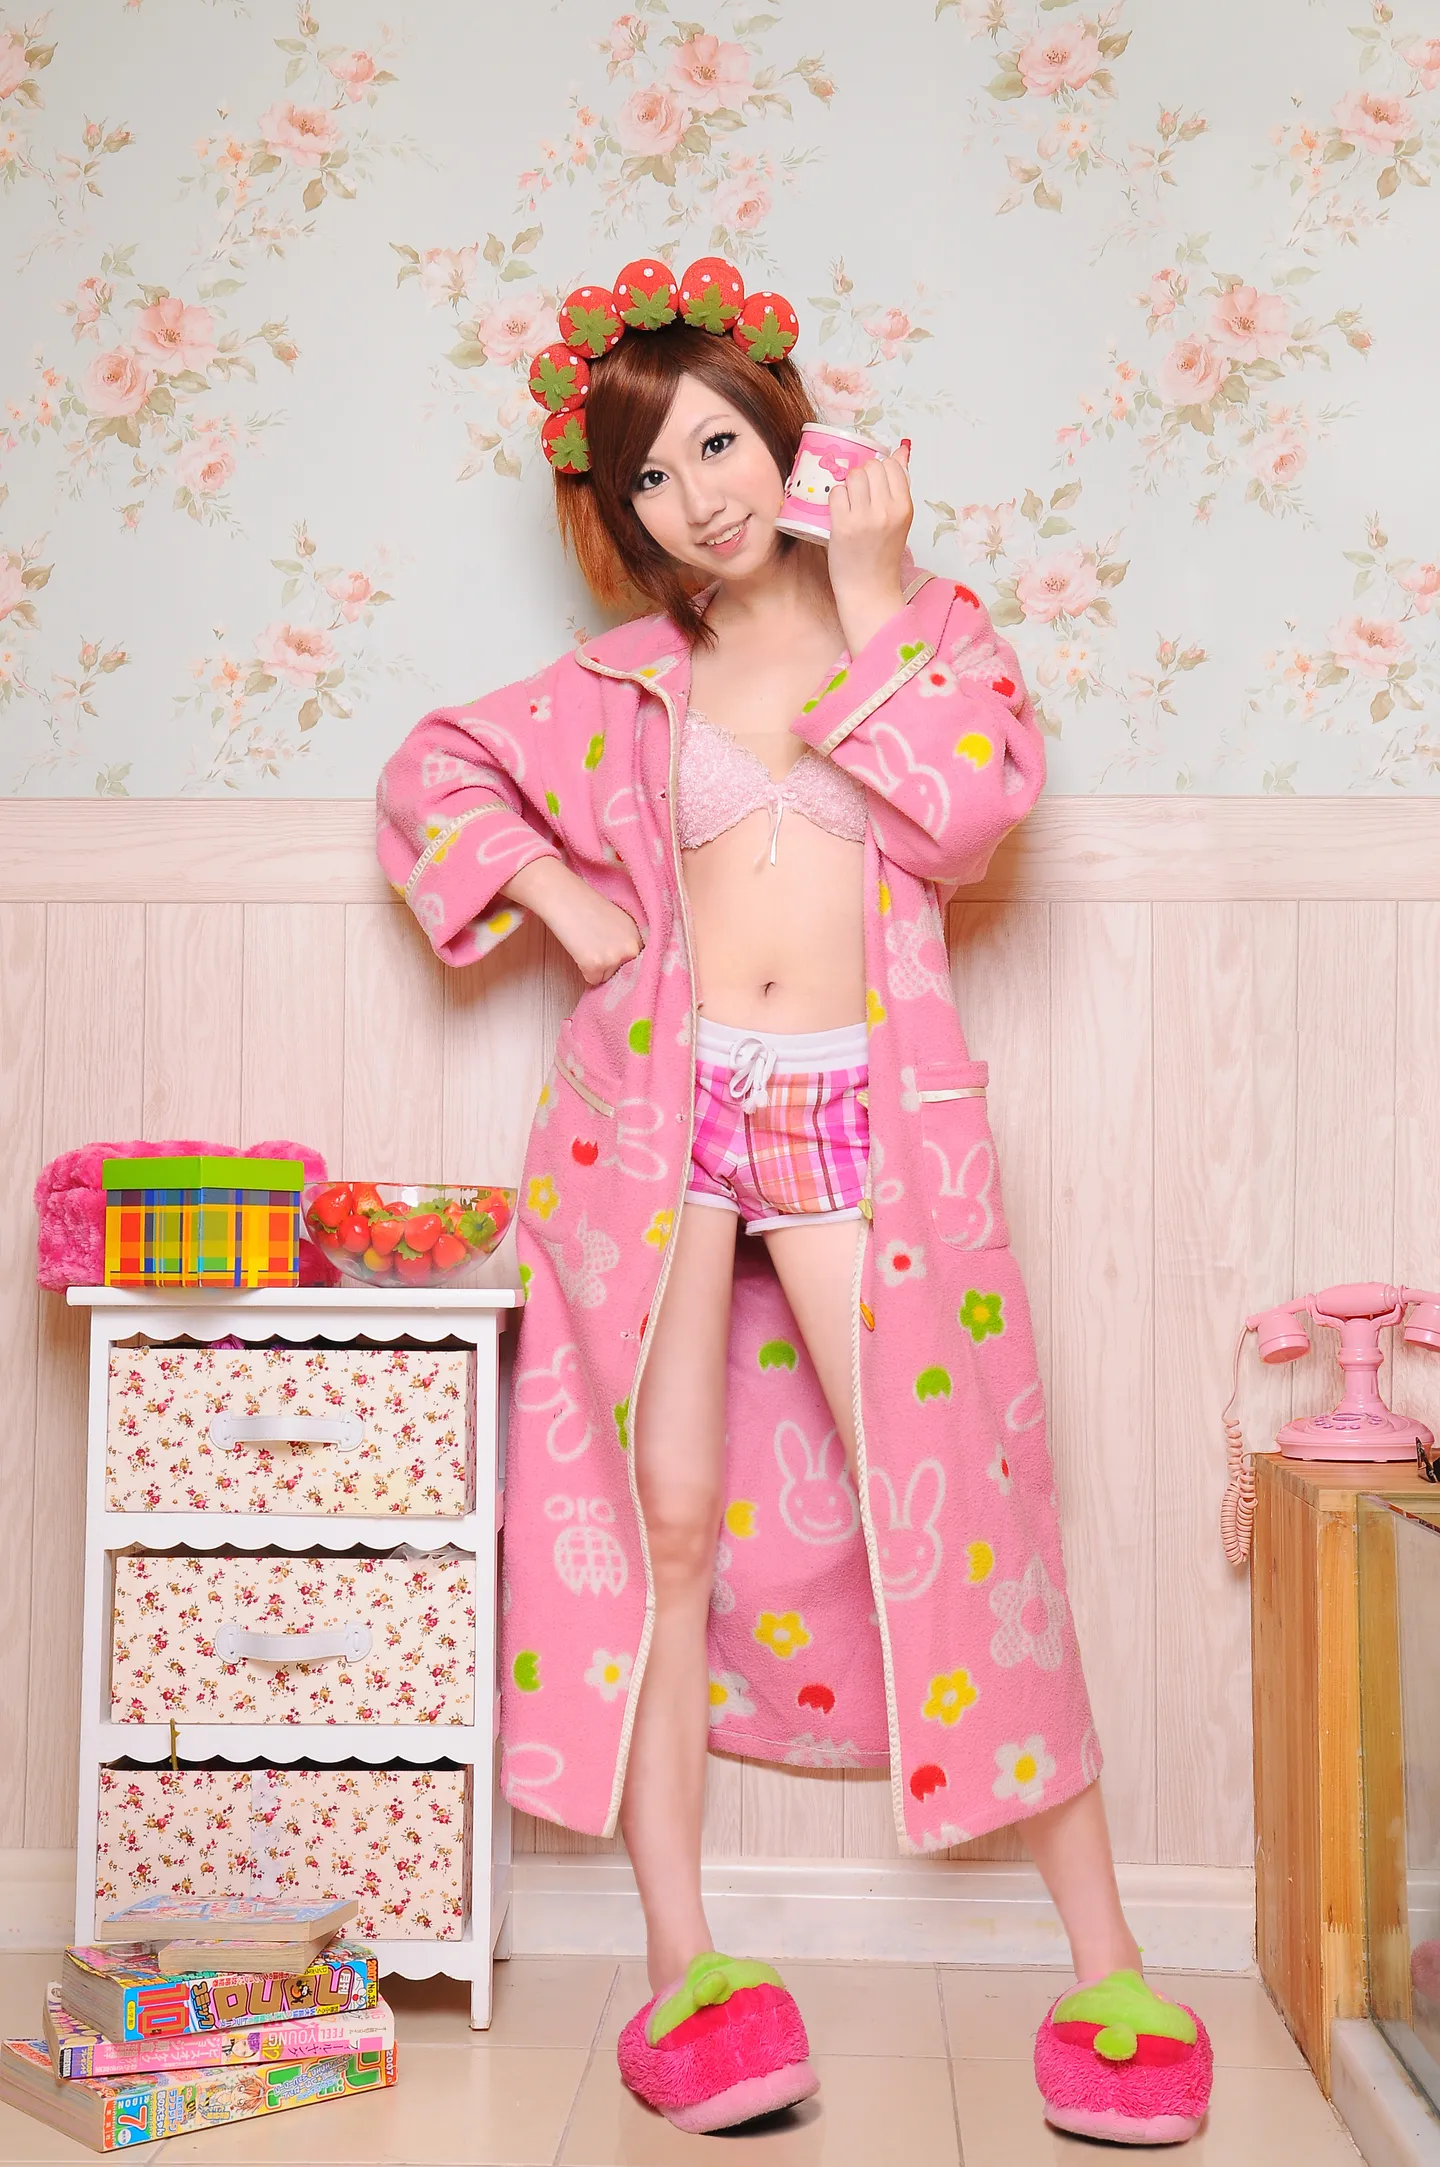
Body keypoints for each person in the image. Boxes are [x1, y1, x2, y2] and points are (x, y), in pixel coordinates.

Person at [377, 257, 1213, 2143]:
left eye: (719, 446)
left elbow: (975, 810)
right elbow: (432, 769)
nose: (697, 498)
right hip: (662, 1122)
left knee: (966, 1519)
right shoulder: (624, 681)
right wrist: (561, 897)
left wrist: (886, 587)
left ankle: (1110, 1967)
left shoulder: (923, 630)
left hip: (863, 1121)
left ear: (789, 435)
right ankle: (687, 1966)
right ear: (621, 512)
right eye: (651, 476)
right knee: (660, 1525)